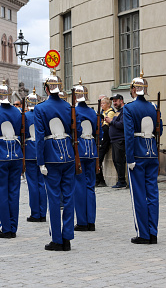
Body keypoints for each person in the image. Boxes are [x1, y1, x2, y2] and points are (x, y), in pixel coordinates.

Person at [34, 69, 75, 251]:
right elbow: (77, 132)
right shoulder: (68, 107)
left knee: (53, 198)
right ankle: (67, 237)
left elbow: (40, 137)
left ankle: (57, 239)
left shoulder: (40, 108)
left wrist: (40, 161)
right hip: (68, 155)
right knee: (68, 197)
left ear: (47, 88)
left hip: (51, 156)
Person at [124, 72, 161, 244]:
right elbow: (158, 131)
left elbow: (128, 135)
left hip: (137, 154)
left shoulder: (129, 108)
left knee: (139, 194)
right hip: (152, 152)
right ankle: (153, 232)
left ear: (133, 90)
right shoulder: (153, 108)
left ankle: (143, 234)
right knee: (152, 194)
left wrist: (129, 158)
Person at [0, 80, 23, 239]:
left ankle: (6, 227)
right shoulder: (18, 112)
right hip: (16, 154)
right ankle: (13, 226)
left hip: (0, 155)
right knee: (14, 192)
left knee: (1, 192)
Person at [73, 80, 98, 232]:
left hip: (80, 149)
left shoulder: (75, 111)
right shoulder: (92, 112)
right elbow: (98, 132)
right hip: (92, 149)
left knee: (79, 186)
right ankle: (91, 221)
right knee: (90, 186)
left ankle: (82, 221)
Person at [24, 88, 47, 223]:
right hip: (42, 150)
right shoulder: (42, 114)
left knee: (32, 184)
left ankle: (35, 213)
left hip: (30, 151)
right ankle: (42, 212)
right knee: (41, 183)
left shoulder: (26, 116)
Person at [105, 94, 126, 189]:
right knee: (116, 160)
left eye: (116, 101)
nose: (114, 103)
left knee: (119, 161)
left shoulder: (124, 111)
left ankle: (122, 181)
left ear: (121, 101)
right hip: (115, 140)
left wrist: (111, 121)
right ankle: (120, 180)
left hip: (120, 139)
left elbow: (122, 125)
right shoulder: (118, 112)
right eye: (113, 101)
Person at [96, 97, 115, 187]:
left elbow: (105, 124)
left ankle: (101, 180)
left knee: (99, 159)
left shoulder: (110, 112)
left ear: (108, 104)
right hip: (101, 136)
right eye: (101, 103)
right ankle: (98, 179)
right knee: (97, 159)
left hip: (106, 136)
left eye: (104, 103)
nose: (102, 105)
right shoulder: (102, 113)